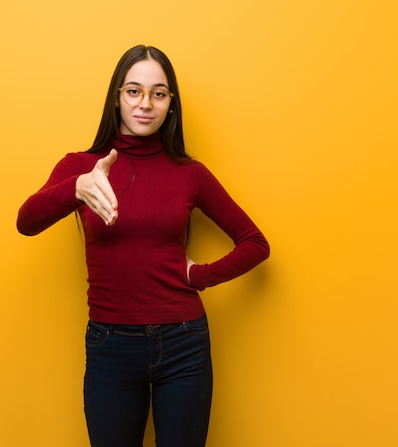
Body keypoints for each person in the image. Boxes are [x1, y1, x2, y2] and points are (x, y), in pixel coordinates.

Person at [16, 45, 269, 447]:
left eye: (159, 93)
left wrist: (198, 275)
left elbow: (256, 244)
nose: (146, 103)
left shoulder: (191, 174)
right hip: (109, 346)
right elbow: (26, 222)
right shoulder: (81, 167)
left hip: (184, 344)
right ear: (117, 97)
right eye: (133, 91)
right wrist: (75, 189)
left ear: (171, 104)